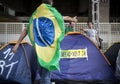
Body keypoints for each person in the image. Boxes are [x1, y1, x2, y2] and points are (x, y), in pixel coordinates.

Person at [12, 0, 77, 84]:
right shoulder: (52, 13)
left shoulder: (35, 15)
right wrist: (73, 20)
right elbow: (64, 18)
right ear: (51, 3)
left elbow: (26, 29)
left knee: (43, 74)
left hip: (39, 51)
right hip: (48, 51)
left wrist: (17, 44)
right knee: (45, 75)